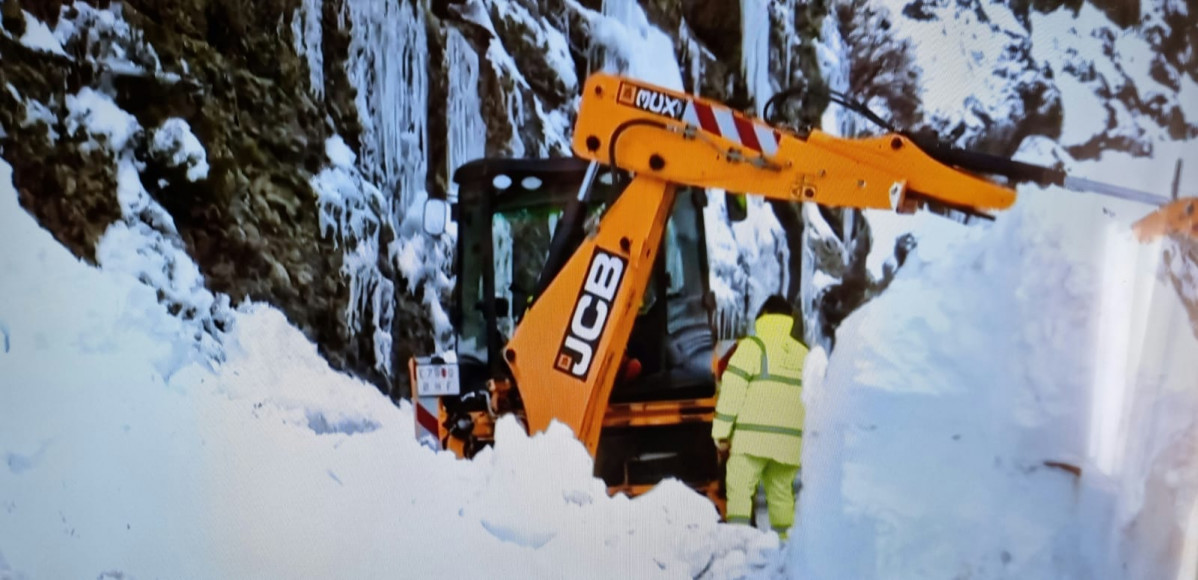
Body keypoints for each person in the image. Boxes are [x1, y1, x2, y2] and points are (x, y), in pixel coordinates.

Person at [713, 295, 808, 539]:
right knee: (781, 495)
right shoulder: (802, 354)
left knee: (740, 489)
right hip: (788, 444)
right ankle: (786, 550)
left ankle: (739, 544)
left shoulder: (752, 347)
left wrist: (721, 433)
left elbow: (732, 389)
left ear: (763, 316)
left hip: (752, 441)